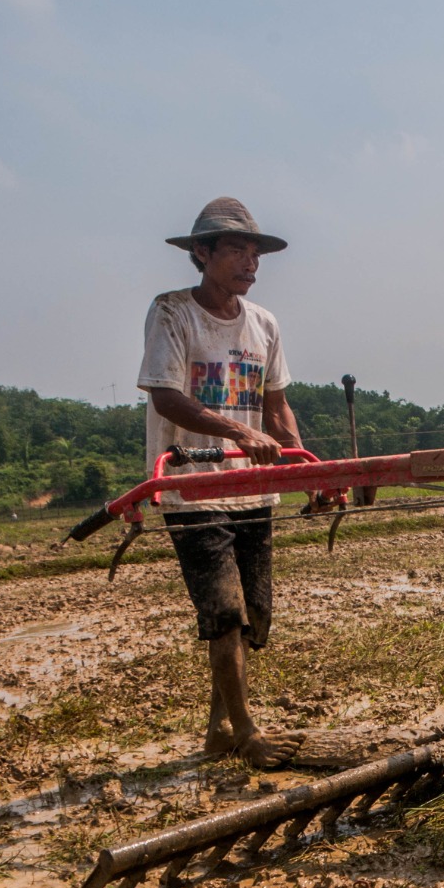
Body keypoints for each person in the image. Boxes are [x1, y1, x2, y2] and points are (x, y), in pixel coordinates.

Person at [137, 197, 303, 768]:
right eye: (237, 251)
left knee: (254, 614)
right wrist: (238, 433)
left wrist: (305, 461)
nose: (250, 264)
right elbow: (166, 396)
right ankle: (248, 732)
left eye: (255, 254)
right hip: (193, 487)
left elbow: (275, 405)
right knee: (225, 614)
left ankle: (218, 730)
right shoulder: (172, 313)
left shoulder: (265, 325)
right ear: (202, 254)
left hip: (251, 488)